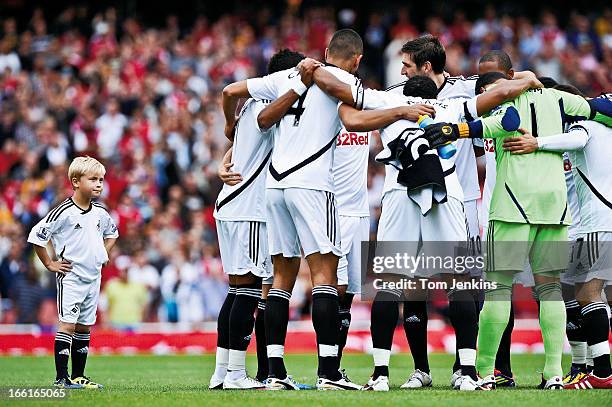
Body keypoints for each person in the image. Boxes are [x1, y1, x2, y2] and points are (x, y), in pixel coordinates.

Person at [298, 63, 542, 390]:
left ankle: (381, 374)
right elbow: (503, 92)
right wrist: (528, 79)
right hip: (447, 192)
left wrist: (321, 77)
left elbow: (350, 117)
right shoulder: (454, 105)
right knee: (460, 284)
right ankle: (467, 374)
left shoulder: (389, 103)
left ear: (405, 92)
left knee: (389, 284)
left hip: (399, 192)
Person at [222, 29, 433, 390]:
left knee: (281, 279)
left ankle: (274, 373)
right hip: (313, 184)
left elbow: (233, 93)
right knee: (324, 276)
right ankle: (329, 373)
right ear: (357, 60)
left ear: (324, 50)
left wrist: (230, 132)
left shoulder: (286, 77)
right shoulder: (344, 81)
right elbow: (357, 114)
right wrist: (403, 109)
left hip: (276, 187)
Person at [423, 73, 612, 390]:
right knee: (550, 290)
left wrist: (454, 130)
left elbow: (498, 124)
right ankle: (553, 373)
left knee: (498, 290)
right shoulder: (562, 101)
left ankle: (482, 373)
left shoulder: (507, 103)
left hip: (513, 205)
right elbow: (595, 109)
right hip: (554, 207)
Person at [501, 89, 612, 390]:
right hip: (595, 223)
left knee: (586, 296)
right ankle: (588, 366)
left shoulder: (585, 127)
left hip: (594, 223)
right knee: (599, 298)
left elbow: (576, 138)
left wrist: (537, 142)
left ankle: (601, 372)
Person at [210, 49, 306, 390]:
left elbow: (239, 132)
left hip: (230, 206)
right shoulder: (268, 106)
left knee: (236, 291)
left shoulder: (247, 107)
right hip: (249, 209)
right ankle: (237, 374)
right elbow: (265, 124)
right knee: (250, 289)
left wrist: (227, 131)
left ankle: (222, 371)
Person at [27, 156, 118, 389]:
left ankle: (78, 376)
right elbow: (37, 236)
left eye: (101, 180)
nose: (99, 184)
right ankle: (61, 379)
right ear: (76, 182)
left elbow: (112, 233)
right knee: (67, 325)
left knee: (85, 327)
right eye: (94, 179)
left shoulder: (100, 212)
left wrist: (103, 253)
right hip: (72, 277)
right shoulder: (63, 212)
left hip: (93, 277)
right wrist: (50, 264)